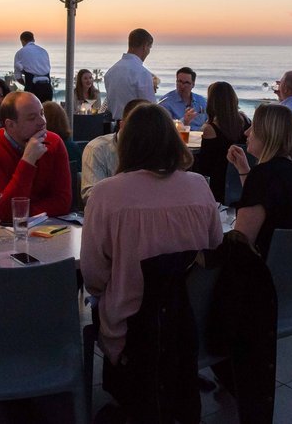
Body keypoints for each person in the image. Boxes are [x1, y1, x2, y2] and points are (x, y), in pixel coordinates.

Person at [80, 103, 222, 373]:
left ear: (126, 144)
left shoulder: (106, 194)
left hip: (131, 328)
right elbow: (214, 248)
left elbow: (93, 276)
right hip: (190, 320)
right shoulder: (199, 186)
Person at [0, 91, 71, 225]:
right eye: (32, 118)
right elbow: (5, 211)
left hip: (41, 228)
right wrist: (28, 161)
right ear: (10, 125)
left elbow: (63, 202)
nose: (42, 121)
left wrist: (22, 213)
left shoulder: (54, 143)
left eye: (42, 113)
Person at [227, 104, 292, 258]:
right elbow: (262, 199)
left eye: (253, 128)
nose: (246, 132)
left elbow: (242, 242)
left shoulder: (264, 175)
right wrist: (243, 168)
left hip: (266, 266)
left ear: (267, 135)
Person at [192, 81, 250, 204]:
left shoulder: (211, 129)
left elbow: (205, 166)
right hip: (241, 178)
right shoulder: (246, 121)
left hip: (219, 185)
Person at [81, 99, 149, 201]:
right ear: (122, 125)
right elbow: (91, 196)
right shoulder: (98, 149)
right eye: (137, 127)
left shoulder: (157, 149)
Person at [103, 28, 155, 118]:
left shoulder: (110, 72)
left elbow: (110, 105)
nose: (148, 52)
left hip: (116, 124)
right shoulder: (142, 73)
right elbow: (151, 109)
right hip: (136, 124)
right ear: (145, 46)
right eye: (149, 48)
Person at [12, 31, 53, 102]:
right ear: (33, 40)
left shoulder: (20, 53)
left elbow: (18, 77)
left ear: (22, 41)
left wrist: (26, 85)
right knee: (47, 108)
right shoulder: (44, 51)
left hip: (32, 89)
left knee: (31, 108)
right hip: (48, 89)